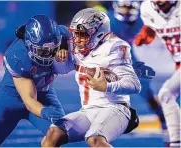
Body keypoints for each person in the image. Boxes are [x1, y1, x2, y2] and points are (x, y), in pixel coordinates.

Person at [42, 8, 141, 147]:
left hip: (115, 108)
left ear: (99, 34)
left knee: (95, 139)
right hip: (88, 111)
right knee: (53, 134)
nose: (77, 40)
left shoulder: (114, 48)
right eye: (75, 34)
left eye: (82, 35)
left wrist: (107, 86)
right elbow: (62, 69)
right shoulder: (76, 46)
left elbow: (134, 84)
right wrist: (59, 56)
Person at [0, 15, 74, 146]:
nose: (49, 55)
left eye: (53, 49)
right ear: (29, 45)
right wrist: (46, 112)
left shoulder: (61, 34)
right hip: (11, 100)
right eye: (43, 51)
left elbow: (72, 37)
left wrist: (63, 47)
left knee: (59, 133)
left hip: (44, 93)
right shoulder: (17, 56)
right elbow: (29, 101)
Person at [109, 0, 166, 130]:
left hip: (128, 57)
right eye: (123, 7)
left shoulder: (143, 18)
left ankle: (163, 117)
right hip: (106, 59)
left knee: (147, 90)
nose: (127, 11)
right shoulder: (106, 19)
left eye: (129, 8)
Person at [134, 0, 180, 147]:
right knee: (166, 94)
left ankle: (175, 142)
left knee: (166, 93)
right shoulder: (147, 8)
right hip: (179, 64)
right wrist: (145, 35)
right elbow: (152, 26)